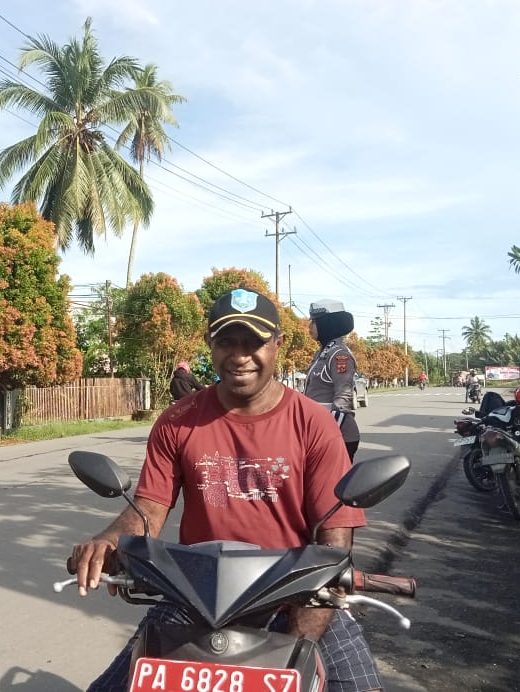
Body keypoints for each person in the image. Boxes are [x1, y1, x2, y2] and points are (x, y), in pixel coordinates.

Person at [71, 288, 380, 692]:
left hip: (297, 594)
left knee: (360, 687)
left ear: (278, 346)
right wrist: (108, 541)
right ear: (210, 344)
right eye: (227, 342)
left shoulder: (314, 424)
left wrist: (295, 652)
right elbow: (149, 506)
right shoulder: (177, 421)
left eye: (254, 342)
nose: (240, 355)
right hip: (197, 596)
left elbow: (334, 540)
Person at [304, 299, 361, 461]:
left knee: (333, 485)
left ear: (328, 324)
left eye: (314, 322)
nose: (310, 326)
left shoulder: (338, 355)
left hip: (338, 435)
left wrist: (326, 433)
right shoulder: (323, 353)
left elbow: (343, 399)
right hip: (322, 433)